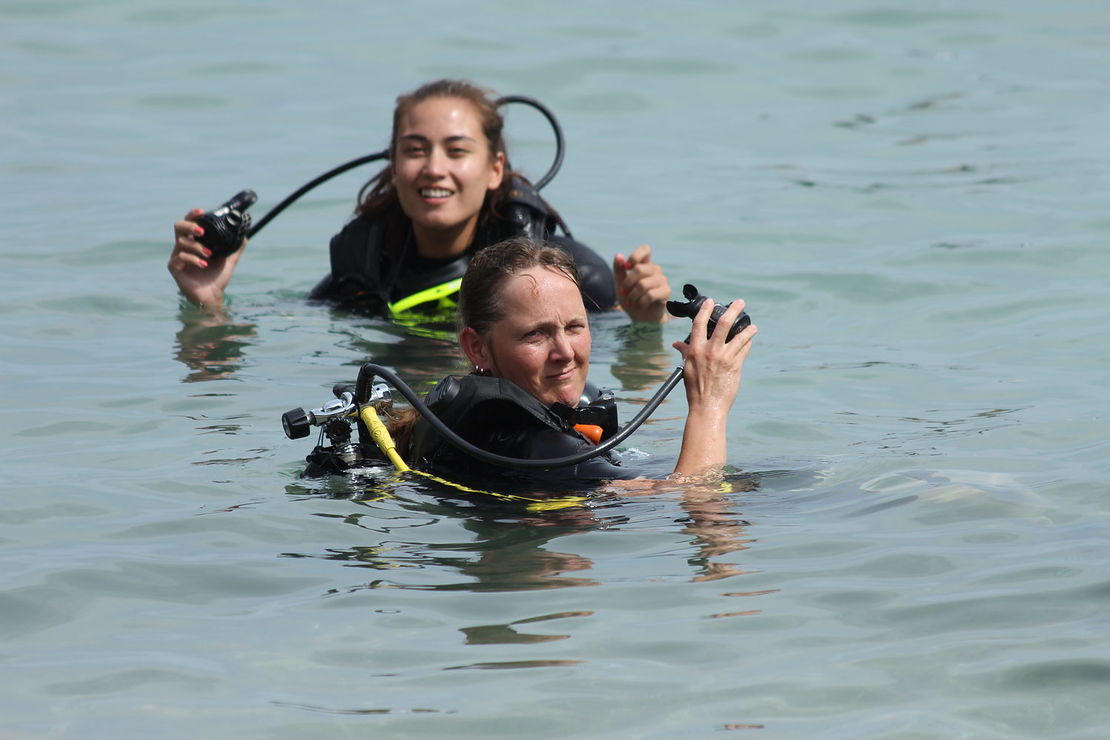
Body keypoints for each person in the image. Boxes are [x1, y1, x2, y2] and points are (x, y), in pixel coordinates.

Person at [168, 79, 671, 323]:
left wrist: (646, 322)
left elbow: (626, 381)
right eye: (414, 150)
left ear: (495, 168)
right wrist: (206, 300)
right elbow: (231, 369)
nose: (433, 168)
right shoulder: (363, 277)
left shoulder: (578, 279)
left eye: (457, 150)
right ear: (393, 164)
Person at [395, 238, 757, 490]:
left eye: (574, 327)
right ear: (477, 348)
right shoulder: (527, 447)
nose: (565, 352)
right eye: (535, 335)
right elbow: (695, 500)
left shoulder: (477, 421)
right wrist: (709, 403)